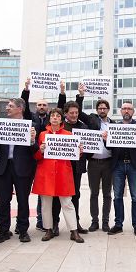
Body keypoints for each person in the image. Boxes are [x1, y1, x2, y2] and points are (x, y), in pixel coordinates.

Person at [0, 98, 38, 243]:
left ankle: (23, 230)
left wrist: (32, 140)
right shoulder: (1, 125)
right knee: (2, 201)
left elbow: (35, 150)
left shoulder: (32, 127)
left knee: (23, 200)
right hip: (3, 168)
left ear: (20, 108)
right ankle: (3, 230)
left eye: (11, 106)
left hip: (23, 168)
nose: (7, 108)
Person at [32, 108, 84, 243]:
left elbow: (75, 156)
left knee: (67, 203)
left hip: (63, 172)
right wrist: (40, 150)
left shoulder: (69, 134)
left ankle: (74, 231)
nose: (55, 118)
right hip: (46, 172)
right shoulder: (42, 134)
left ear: (61, 119)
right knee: (46, 203)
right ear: (50, 119)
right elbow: (36, 156)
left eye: (57, 116)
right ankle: (48, 229)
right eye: (53, 116)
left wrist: (79, 152)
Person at [77, 84, 114, 232]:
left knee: (107, 194)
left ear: (108, 110)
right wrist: (81, 95)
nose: (102, 110)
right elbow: (78, 113)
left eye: (104, 108)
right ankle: (95, 221)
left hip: (109, 163)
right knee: (94, 193)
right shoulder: (92, 120)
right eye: (100, 108)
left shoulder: (114, 124)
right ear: (97, 110)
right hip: (93, 162)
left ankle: (105, 222)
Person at [103, 101, 136, 236]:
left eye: (129, 109)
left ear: (133, 112)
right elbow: (109, 147)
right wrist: (105, 140)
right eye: (124, 109)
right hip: (118, 165)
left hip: (134, 166)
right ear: (121, 111)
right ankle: (118, 224)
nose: (127, 111)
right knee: (117, 196)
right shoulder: (114, 127)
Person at [55, 81, 89, 235]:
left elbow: (89, 146)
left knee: (75, 195)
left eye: (76, 112)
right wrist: (62, 92)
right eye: (71, 113)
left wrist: (84, 151)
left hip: (76, 168)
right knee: (56, 195)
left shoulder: (83, 127)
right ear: (65, 113)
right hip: (60, 167)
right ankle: (54, 224)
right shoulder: (59, 127)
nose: (74, 115)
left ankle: (75, 224)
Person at [21, 78, 49, 232]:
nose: (42, 107)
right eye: (39, 105)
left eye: (44, 105)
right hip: (30, 159)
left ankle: (42, 220)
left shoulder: (52, 119)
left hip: (45, 160)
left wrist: (63, 93)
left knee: (43, 191)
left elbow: (60, 106)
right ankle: (23, 223)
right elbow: (23, 105)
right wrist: (26, 90)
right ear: (35, 107)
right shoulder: (31, 118)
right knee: (26, 191)